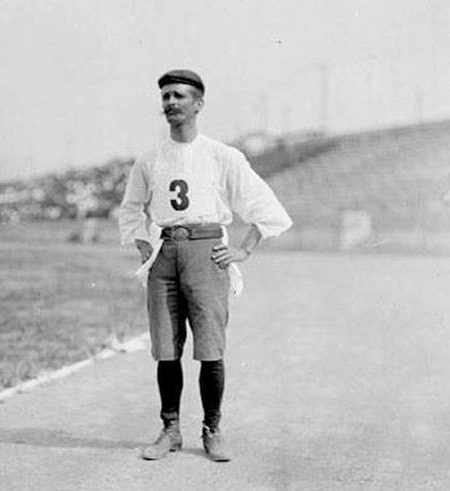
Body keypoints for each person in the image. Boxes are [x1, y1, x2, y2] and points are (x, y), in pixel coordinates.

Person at [118, 69, 292, 462]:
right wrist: (143, 244)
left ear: (198, 103)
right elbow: (131, 208)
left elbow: (263, 206)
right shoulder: (149, 159)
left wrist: (244, 250)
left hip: (207, 250)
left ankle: (212, 429)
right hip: (165, 255)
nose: (171, 103)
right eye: (165, 97)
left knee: (210, 348)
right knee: (166, 349)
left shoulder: (222, 155)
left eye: (179, 96)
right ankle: (170, 429)